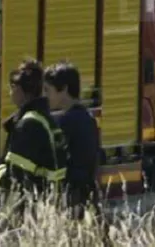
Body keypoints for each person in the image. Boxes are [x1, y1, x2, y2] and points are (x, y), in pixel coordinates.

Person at [0, 59, 67, 207]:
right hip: (47, 203)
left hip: (31, 206)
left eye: (12, 87)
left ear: (20, 89)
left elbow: (16, 175)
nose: (10, 92)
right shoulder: (43, 118)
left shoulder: (29, 125)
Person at [43, 61, 101, 218]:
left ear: (64, 90)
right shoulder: (87, 117)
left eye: (48, 91)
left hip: (72, 195)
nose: (45, 96)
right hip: (88, 193)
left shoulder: (67, 122)